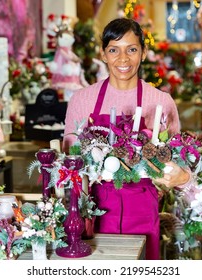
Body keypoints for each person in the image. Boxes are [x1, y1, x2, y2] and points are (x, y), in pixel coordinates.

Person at [63, 18, 191, 260]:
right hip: (94, 209)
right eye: (114, 50)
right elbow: (70, 161)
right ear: (103, 54)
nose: (123, 59)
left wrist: (170, 179)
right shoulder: (82, 100)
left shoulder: (161, 102)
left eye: (131, 49)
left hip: (143, 207)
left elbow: (177, 162)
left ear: (143, 53)